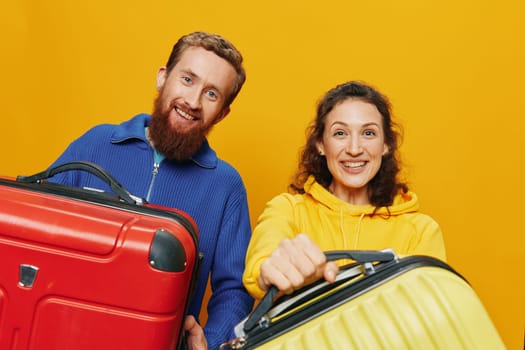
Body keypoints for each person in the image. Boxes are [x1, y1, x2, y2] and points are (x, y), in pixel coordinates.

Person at [47, 31, 254, 349]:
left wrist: (211, 343)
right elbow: (36, 225)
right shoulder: (95, 143)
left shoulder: (226, 186)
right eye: (187, 79)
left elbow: (234, 290)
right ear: (163, 78)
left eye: (212, 94)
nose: (193, 102)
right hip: (64, 336)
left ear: (223, 112)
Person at [243, 81, 446, 300]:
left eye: (368, 133)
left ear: (386, 145)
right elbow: (262, 263)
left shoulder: (421, 231)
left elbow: (430, 311)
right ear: (321, 144)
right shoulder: (288, 210)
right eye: (340, 133)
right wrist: (273, 271)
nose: (354, 149)